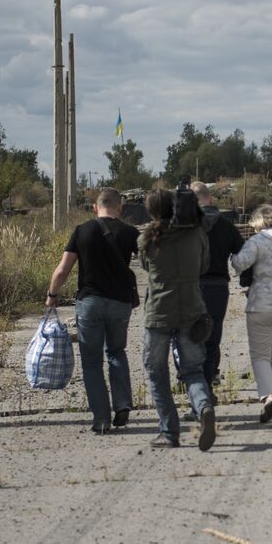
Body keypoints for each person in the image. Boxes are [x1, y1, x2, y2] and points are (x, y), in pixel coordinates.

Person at [46, 187, 139, 434]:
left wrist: (52, 295)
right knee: (117, 352)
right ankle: (122, 404)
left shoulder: (82, 231)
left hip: (90, 303)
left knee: (91, 361)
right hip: (120, 303)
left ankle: (101, 419)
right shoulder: (131, 232)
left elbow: (63, 269)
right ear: (119, 207)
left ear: (95, 208)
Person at [137, 188, 217, 450]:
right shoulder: (197, 233)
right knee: (192, 369)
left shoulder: (147, 238)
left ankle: (169, 432)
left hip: (159, 312)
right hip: (192, 310)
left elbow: (146, 267)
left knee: (156, 371)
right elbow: (204, 266)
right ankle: (204, 406)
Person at [229, 204, 272, 422]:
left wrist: (232, 255)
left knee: (260, 356)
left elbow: (240, 264)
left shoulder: (257, 241)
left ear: (258, 223)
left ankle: (269, 397)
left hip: (261, 304)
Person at [192, 181, 245, 395]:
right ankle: (209, 378)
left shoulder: (187, 226)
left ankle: (193, 381)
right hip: (218, 286)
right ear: (211, 199)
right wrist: (245, 279)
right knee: (212, 337)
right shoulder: (226, 225)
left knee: (191, 336)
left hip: (192, 285)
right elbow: (242, 252)